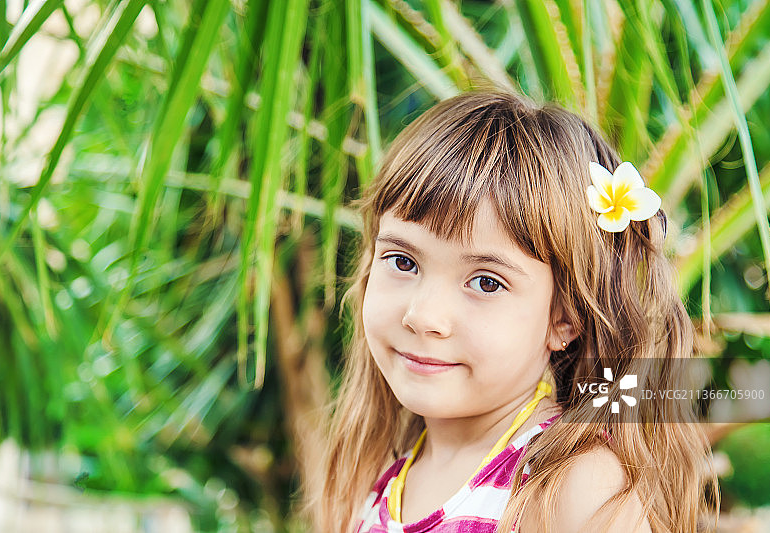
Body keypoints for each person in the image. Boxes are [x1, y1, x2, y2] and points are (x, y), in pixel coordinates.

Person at [303, 90, 719, 532]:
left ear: (565, 318)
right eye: (403, 262)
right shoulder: (376, 486)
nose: (423, 316)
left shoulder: (574, 489)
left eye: (486, 282)